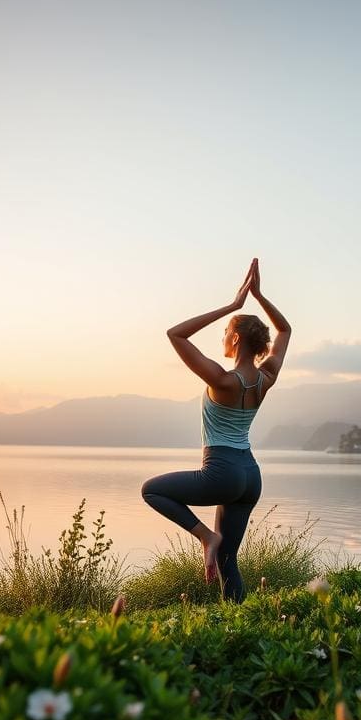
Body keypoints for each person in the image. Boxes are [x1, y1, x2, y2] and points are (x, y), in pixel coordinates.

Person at [142, 258, 291, 602]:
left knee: (151, 490)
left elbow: (175, 334)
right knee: (228, 560)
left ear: (235, 338)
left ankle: (206, 537)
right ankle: (238, 620)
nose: (222, 336)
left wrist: (234, 304)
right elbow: (284, 331)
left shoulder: (222, 380)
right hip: (250, 475)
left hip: (222, 471)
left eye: (225, 332)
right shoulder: (267, 377)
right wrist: (260, 297)